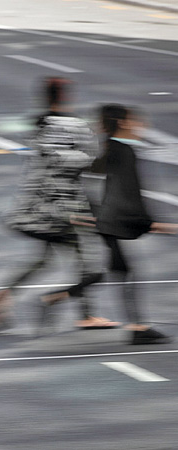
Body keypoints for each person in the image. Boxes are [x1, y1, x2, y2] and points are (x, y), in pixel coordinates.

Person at [0, 77, 116, 333]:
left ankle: (1, 296)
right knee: (86, 257)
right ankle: (84, 313)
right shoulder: (72, 126)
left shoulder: (39, 125)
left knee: (48, 258)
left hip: (39, 204)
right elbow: (86, 165)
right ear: (65, 96)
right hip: (62, 206)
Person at [95, 104, 178, 345]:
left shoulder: (111, 148)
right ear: (122, 123)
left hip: (103, 221)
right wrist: (148, 223)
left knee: (120, 270)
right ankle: (137, 327)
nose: (142, 126)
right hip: (107, 221)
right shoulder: (123, 151)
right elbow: (128, 193)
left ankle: (137, 327)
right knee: (112, 271)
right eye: (136, 121)